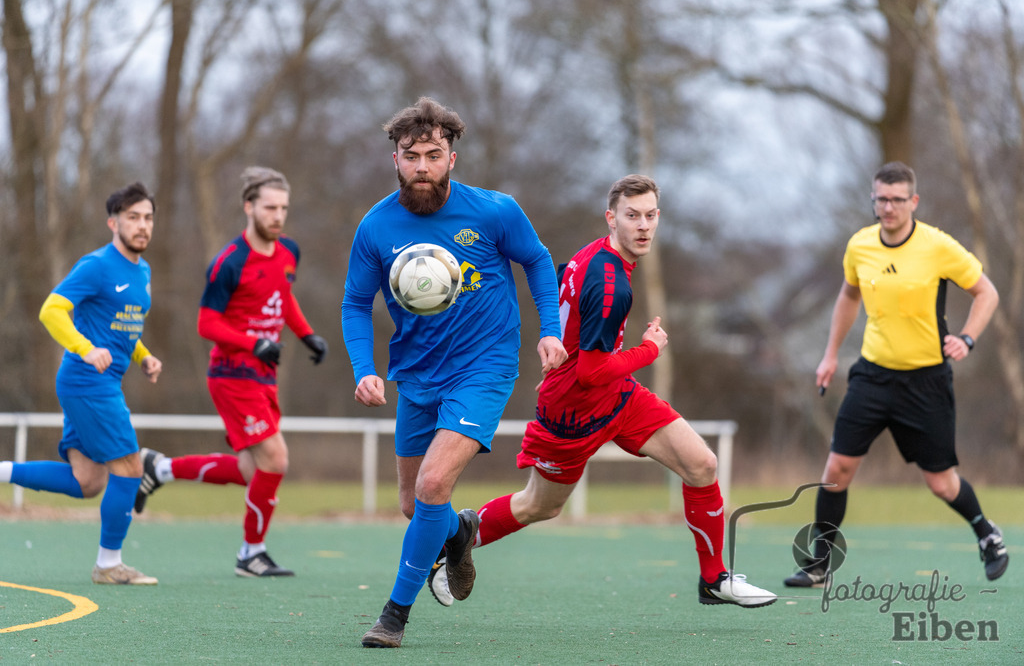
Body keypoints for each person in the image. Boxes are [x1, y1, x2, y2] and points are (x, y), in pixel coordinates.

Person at [434, 174, 776, 612]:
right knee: (539, 505)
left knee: (702, 464)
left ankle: (714, 579)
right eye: (632, 216)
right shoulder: (612, 283)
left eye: (651, 215)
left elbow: (560, 287)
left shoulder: (592, 255)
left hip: (618, 396)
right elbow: (594, 372)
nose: (643, 225)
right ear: (611, 218)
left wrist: (558, 344)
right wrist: (648, 349)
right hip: (573, 409)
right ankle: (461, 535)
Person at [342, 97, 567, 648]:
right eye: (411, 155)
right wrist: (364, 369)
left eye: (433, 155)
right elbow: (354, 302)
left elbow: (538, 261)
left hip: (484, 366)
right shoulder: (375, 226)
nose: (422, 166)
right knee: (413, 504)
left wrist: (550, 328)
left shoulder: (494, 212)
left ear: (452, 157)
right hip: (416, 375)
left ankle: (394, 616)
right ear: (394, 159)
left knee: (434, 482)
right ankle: (460, 531)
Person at [784, 161, 1007, 588]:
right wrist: (830, 355)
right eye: (881, 199)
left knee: (941, 484)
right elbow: (849, 295)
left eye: (897, 200)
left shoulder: (937, 246)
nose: (888, 207)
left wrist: (968, 338)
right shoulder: (860, 246)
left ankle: (987, 535)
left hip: (925, 381)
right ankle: (820, 564)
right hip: (872, 376)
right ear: (873, 199)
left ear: (913, 201)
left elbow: (987, 292)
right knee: (837, 469)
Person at [134, 166, 328, 578]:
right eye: (270, 207)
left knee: (249, 471)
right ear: (249, 207)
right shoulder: (229, 262)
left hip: (264, 376)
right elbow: (207, 325)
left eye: (284, 208)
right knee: (275, 459)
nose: (278, 216)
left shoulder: (289, 251)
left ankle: (159, 469)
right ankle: (250, 553)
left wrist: (307, 334)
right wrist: (253, 342)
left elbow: (283, 297)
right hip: (232, 374)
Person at [0, 183, 162, 584]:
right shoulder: (96, 265)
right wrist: (85, 349)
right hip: (88, 381)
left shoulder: (143, 271)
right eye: (132, 217)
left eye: (147, 218)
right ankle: (109, 565)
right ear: (113, 223)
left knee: (88, 482)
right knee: (129, 466)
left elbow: (123, 326)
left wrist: (144, 356)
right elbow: (51, 310)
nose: (142, 226)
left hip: (97, 383)